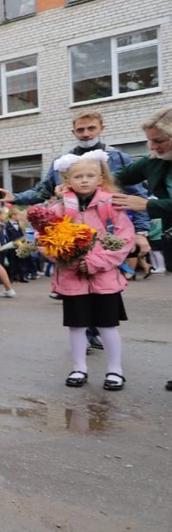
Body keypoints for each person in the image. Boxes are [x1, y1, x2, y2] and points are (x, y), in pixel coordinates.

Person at [0, 110, 152, 259]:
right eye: (80, 130)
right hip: (68, 233)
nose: (86, 134)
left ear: (101, 129)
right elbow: (42, 191)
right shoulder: (62, 162)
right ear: (73, 132)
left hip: (106, 234)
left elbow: (136, 195)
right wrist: (15, 197)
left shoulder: (118, 158)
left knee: (104, 279)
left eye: (91, 128)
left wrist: (141, 231)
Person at [41, 152, 134, 391]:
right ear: (67, 181)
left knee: (107, 325)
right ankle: (79, 367)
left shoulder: (111, 205)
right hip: (72, 277)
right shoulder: (60, 208)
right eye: (78, 176)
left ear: (100, 179)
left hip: (104, 276)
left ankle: (115, 370)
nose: (84, 180)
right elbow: (46, 239)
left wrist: (96, 261)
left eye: (90, 175)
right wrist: (66, 260)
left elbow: (124, 239)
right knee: (77, 325)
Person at [113, 107, 172, 391]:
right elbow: (118, 176)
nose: (153, 146)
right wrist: (77, 179)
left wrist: (148, 205)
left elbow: (149, 203)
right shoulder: (154, 161)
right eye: (150, 140)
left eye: (159, 140)